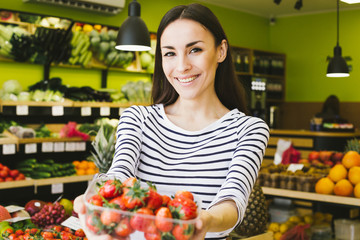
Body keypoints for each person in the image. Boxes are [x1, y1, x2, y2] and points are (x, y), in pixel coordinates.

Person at [74, 3, 269, 240]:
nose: (181, 66)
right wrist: (98, 195)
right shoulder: (138, 119)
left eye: (194, 50)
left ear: (221, 51)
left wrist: (204, 220)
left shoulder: (248, 130)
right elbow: (120, 172)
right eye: (169, 53)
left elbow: (232, 202)